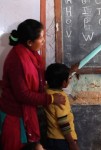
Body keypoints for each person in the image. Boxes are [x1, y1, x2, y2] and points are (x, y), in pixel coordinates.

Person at [0, 19, 66, 150]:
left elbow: (37, 80)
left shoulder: (32, 54)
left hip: (26, 114)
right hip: (15, 117)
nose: (43, 41)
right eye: (41, 38)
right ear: (30, 42)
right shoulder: (17, 60)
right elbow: (22, 94)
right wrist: (51, 99)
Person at [44, 63, 79, 150]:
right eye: (68, 79)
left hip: (52, 137)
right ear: (64, 83)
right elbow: (63, 122)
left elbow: (54, 78)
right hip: (63, 140)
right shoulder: (59, 98)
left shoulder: (47, 92)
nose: (69, 80)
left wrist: (69, 72)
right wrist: (71, 143)